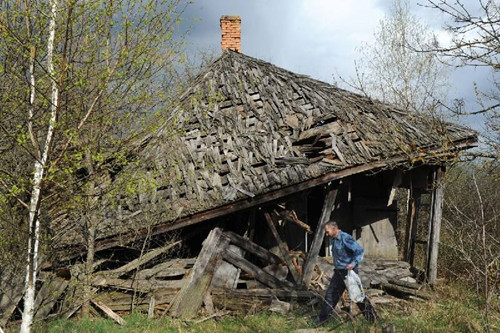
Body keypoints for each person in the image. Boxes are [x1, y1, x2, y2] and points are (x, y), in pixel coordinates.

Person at [315, 220, 378, 325]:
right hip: (339, 273)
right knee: (330, 296)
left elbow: (359, 251)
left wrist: (353, 263)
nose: (326, 234)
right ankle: (322, 321)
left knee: (358, 296)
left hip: (349, 272)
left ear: (334, 229)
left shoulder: (345, 238)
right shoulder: (334, 239)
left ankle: (373, 319)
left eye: (327, 231)